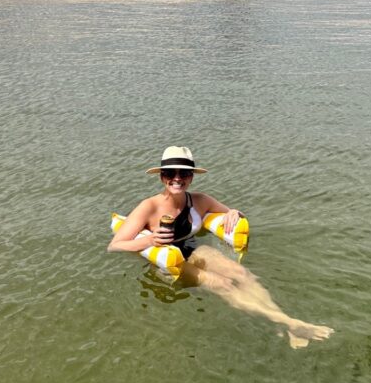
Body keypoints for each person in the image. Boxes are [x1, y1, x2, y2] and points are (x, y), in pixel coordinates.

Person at [109, 146, 333, 348]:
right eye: (170, 173)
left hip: (192, 248)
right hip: (169, 260)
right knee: (224, 284)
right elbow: (116, 245)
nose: (177, 178)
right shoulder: (148, 206)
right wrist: (149, 240)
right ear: (161, 176)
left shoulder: (200, 200)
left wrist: (234, 212)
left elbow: (230, 211)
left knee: (242, 273)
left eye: (184, 173)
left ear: (191, 177)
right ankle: (290, 323)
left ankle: (282, 322)